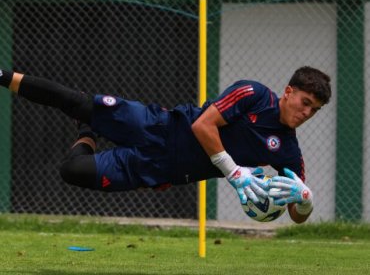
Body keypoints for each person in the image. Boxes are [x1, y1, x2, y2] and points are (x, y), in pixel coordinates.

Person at [0, 66, 331, 224]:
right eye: (304, 102)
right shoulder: (254, 95)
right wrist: (235, 173)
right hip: (157, 126)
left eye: (314, 110)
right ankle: (3, 75)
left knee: (71, 170)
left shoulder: (288, 151)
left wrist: (305, 200)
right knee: (75, 102)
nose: (306, 112)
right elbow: (203, 126)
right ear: (288, 92)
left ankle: (88, 132)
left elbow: (296, 213)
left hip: (159, 170)